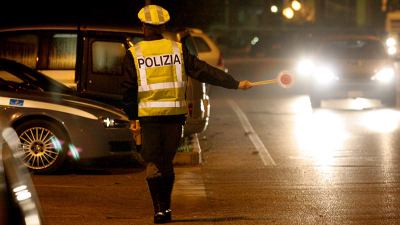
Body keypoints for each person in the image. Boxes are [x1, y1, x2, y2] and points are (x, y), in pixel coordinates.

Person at [121, 4, 253, 224]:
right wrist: (235, 84)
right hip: (175, 119)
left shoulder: (134, 54)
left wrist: (132, 117)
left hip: (148, 119)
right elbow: (204, 71)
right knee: (166, 162)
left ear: (143, 27)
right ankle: (167, 208)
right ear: (163, 26)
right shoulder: (177, 49)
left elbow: (127, 89)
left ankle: (159, 211)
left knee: (154, 164)